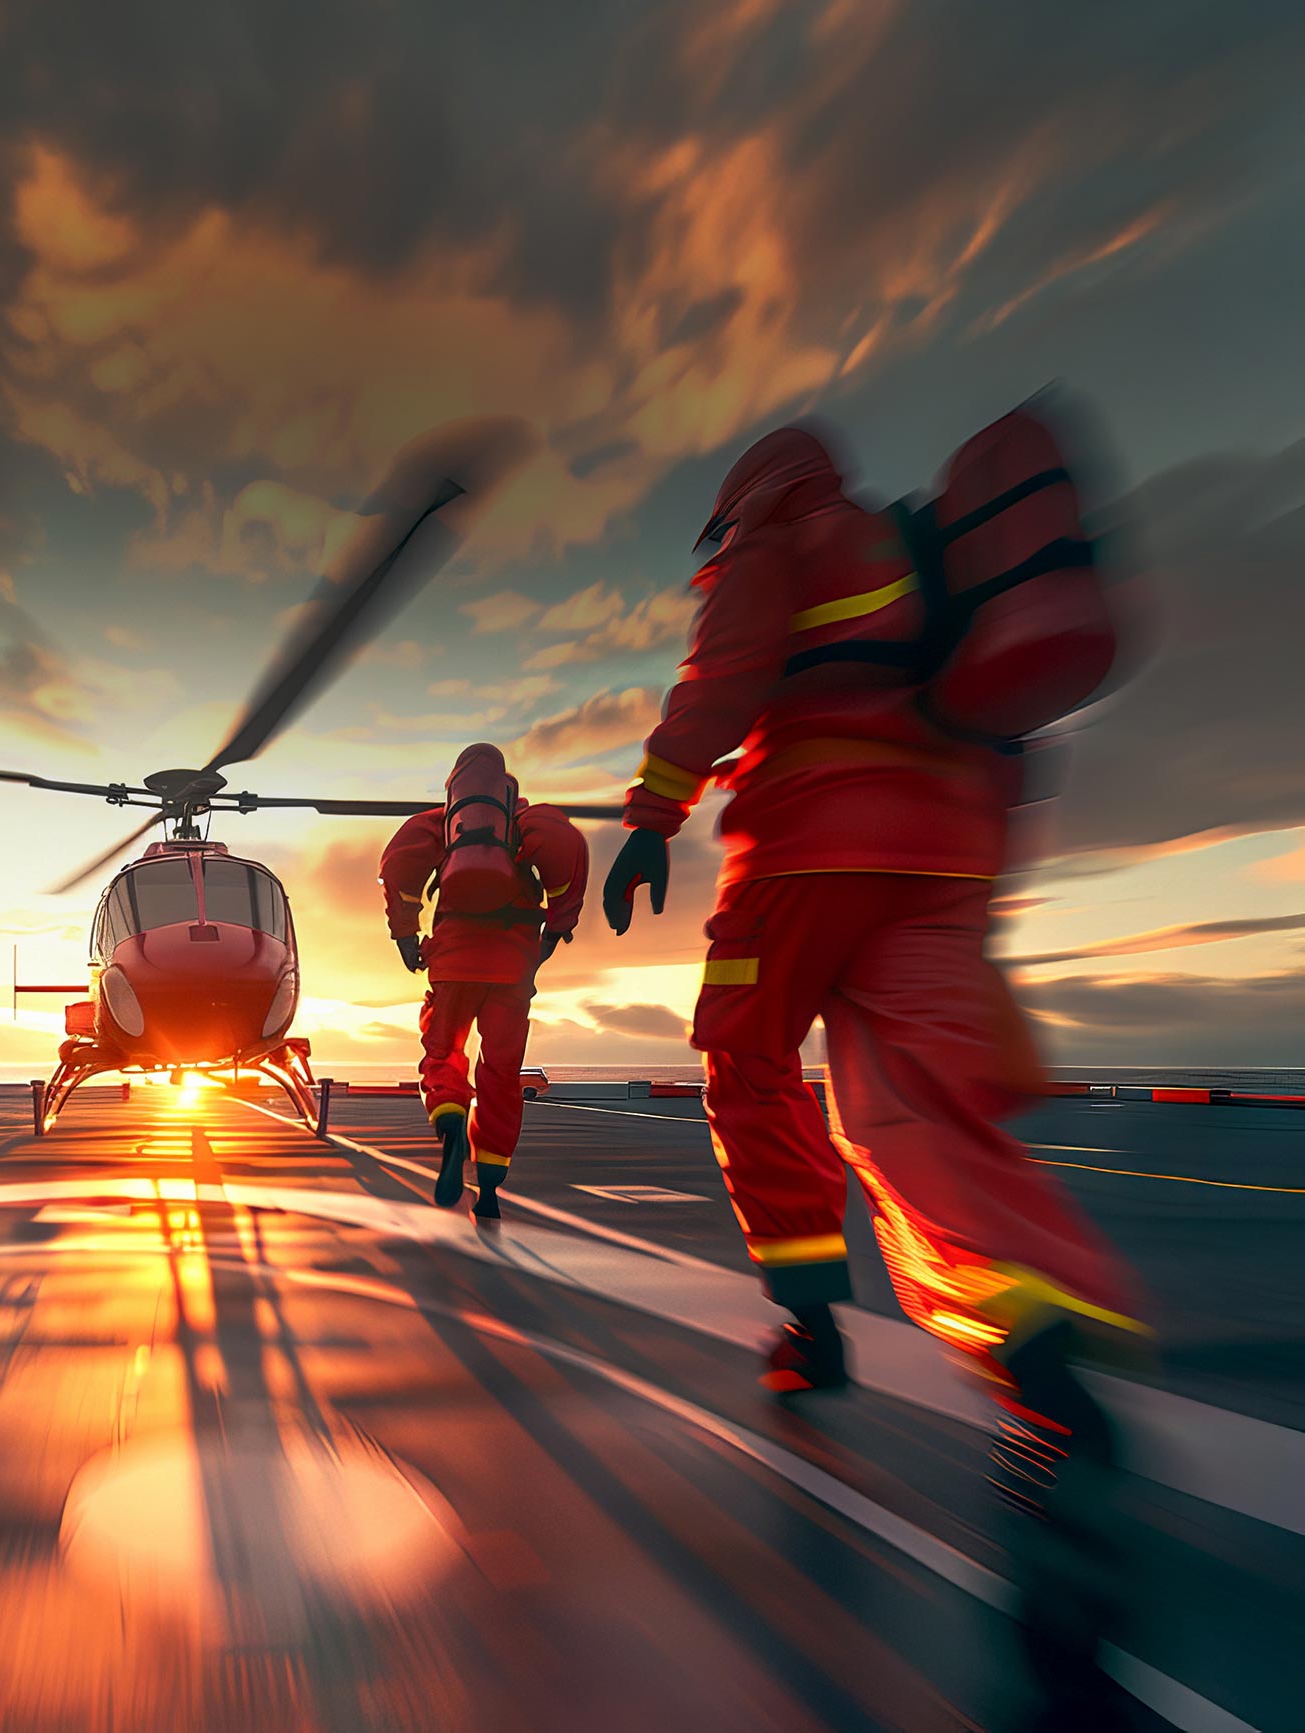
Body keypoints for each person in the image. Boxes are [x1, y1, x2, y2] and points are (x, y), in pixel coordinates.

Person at [601, 425, 1148, 1707]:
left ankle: (807, 1317)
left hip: (801, 853)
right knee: (924, 1120)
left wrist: (649, 816)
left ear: (738, 501)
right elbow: (1012, 745)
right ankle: (1046, 1355)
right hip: (943, 863)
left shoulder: (777, 538)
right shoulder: (918, 558)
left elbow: (727, 677)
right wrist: (971, 899)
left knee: (741, 1059)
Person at [380, 744, 588, 1219]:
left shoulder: (439, 824)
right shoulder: (528, 820)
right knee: (500, 1073)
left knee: (443, 1052)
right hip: (512, 968)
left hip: (453, 962)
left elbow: (397, 868)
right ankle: (490, 1186)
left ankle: (450, 1120)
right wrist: (557, 926)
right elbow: (568, 852)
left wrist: (405, 933)